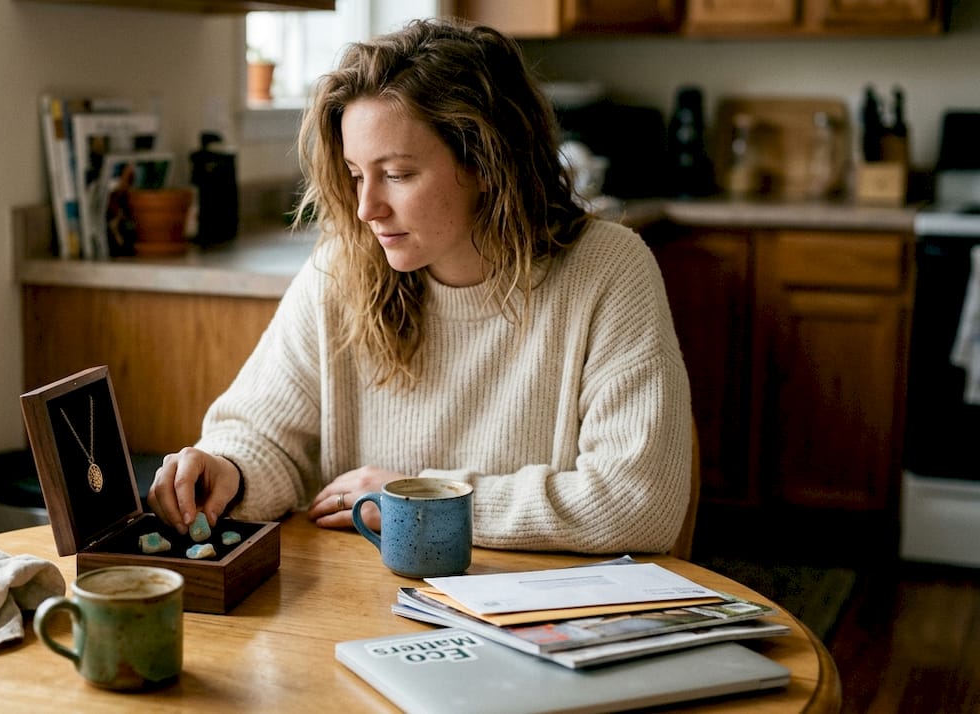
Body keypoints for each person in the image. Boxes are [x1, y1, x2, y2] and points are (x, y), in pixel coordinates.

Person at [147, 17, 691, 554]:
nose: (366, 209)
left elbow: (637, 501)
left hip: (542, 615)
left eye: (399, 175)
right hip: (365, 601)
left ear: (485, 162)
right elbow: (265, 436)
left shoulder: (610, 271)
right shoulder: (340, 271)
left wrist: (418, 500)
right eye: (357, 174)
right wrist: (227, 468)